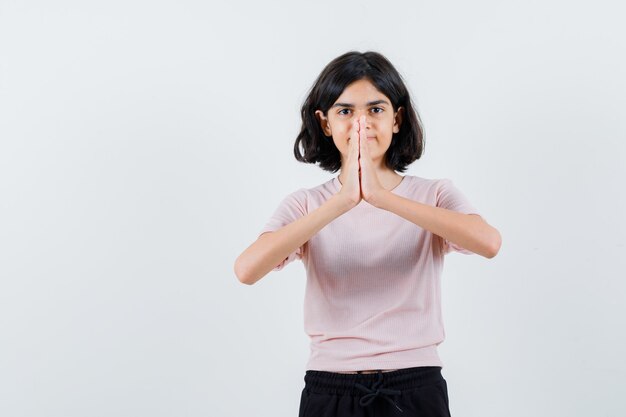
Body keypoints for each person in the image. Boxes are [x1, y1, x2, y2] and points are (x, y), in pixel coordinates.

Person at [234, 51, 502, 417]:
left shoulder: (434, 194)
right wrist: (343, 201)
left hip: (415, 385)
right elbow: (246, 270)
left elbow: (488, 242)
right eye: (345, 111)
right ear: (325, 123)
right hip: (331, 387)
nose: (362, 122)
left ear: (397, 119)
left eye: (376, 109)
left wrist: (381, 197)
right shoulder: (306, 204)